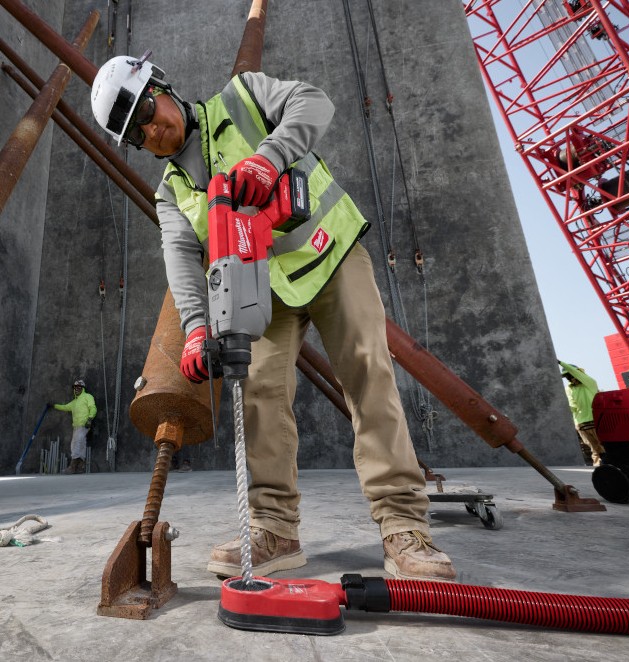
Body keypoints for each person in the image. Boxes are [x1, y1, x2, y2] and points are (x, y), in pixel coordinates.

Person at [90, 54, 456, 582]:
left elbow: (314, 101)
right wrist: (196, 329)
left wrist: (269, 157)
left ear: (162, 86)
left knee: (366, 374)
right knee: (258, 394)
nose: (153, 129)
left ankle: (403, 526)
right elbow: (181, 263)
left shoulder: (243, 97)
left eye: (148, 109)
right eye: (138, 133)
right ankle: (274, 529)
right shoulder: (171, 193)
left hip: (330, 254)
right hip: (262, 292)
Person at [558, 361, 605, 466]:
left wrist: (560, 363)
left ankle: (607, 466)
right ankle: (599, 468)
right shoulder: (569, 389)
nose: (570, 378)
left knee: (603, 447)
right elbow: (572, 407)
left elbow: (577, 374)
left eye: (570, 375)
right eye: (567, 377)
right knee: (595, 450)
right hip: (582, 424)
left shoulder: (590, 383)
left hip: (595, 421)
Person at [52, 379, 97, 474]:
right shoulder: (74, 402)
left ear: (83, 389)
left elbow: (93, 408)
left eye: (79, 387)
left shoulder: (87, 397)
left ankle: (72, 467)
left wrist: (89, 419)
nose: (77, 389)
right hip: (76, 427)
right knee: (81, 444)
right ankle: (80, 467)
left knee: (75, 444)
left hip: (84, 424)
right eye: (75, 387)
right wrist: (54, 406)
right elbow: (64, 407)